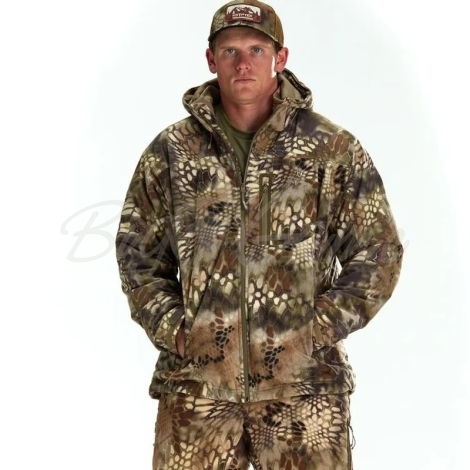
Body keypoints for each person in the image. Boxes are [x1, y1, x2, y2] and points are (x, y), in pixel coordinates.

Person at [115, 1, 404, 468]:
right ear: (211, 60)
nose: (243, 63)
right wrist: (177, 331)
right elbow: (138, 255)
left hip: (303, 392)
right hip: (199, 391)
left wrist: (313, 330)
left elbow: (379, 253)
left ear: (280, 58)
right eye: (229, 51)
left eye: (256, 50)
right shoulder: (172, 151)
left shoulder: (330, 149)